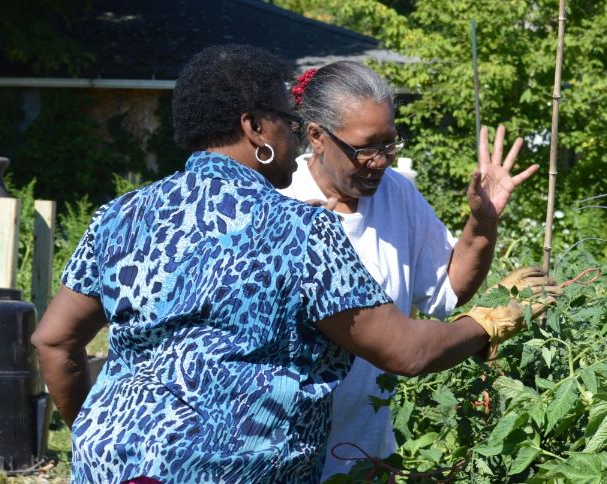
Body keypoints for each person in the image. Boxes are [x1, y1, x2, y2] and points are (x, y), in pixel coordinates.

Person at [31, 45, 559, 483]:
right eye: (287, 120)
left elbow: (53, 341)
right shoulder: (299, 228)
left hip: (110, 468)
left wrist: (99, 429)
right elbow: (406, 350)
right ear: (256, 127)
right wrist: (491, 322)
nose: (293, 133)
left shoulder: (123, 215)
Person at [278, 61, 539, 480]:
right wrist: (485, 326)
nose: (380, 161)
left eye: (390, 142)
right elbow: (405, 350)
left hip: (367, 457)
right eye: (365, 147)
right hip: (287, 461)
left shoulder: (397, 192)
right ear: (316, 136)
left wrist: (483, 221)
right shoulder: (280, 201)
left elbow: (446, 290)